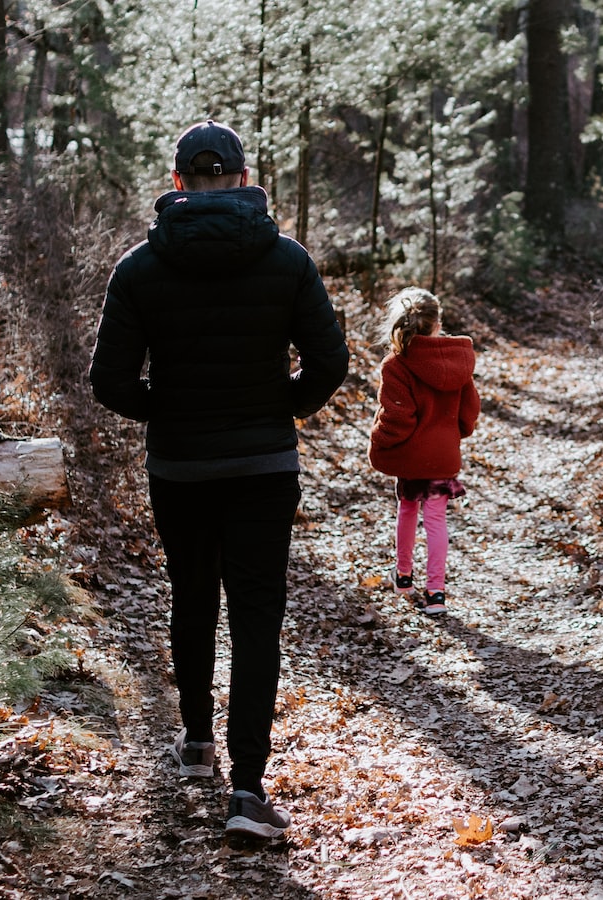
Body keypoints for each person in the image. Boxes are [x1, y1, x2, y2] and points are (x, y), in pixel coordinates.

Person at [88, 119, 349, 839]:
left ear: (177, 183)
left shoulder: (140, 267)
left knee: (192, 596)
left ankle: (196, 743)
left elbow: (108, 380)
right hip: (264, 466)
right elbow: (330, 363)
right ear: (241, 179)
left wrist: (166, 414)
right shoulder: (286, 260)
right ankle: (247, 791)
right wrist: (281, 409)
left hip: (180, 466)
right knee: (257, 617)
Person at [368, 288, 479, 616]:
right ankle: (437, 593)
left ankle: (403, 577)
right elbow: (470, 411)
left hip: (411, 457)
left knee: (407, 510)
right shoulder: (458, 360)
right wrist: (451, 435)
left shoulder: (397, 364)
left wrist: (379, 440)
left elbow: (397, 419)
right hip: (443, 456)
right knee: (436, 521)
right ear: (437, 322)